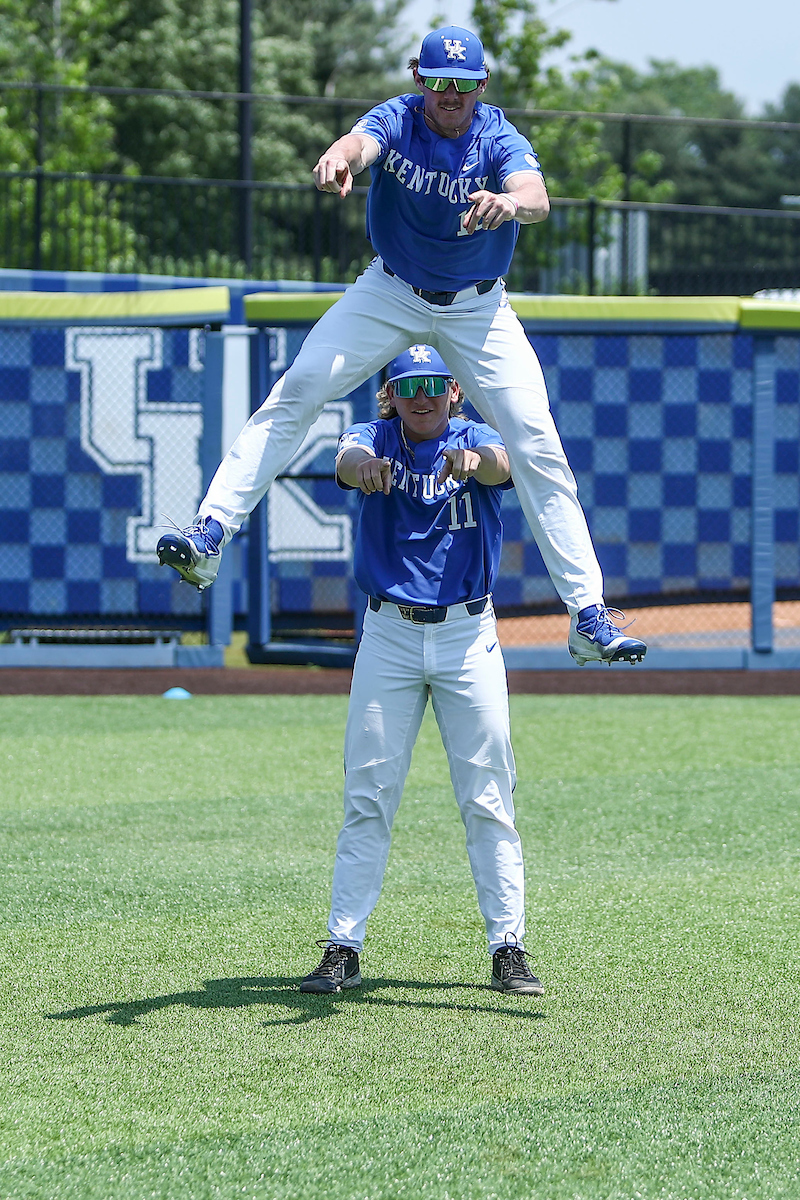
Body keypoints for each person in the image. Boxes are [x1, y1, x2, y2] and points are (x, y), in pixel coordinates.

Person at [156, 24, 647, 667]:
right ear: (420, 81)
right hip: (391, 290)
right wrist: (341, 157)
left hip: (478, 307)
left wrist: (508, 201)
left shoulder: (496, 135)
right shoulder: (400, 117)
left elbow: (537, 196)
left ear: (480, 86)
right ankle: (212, 530)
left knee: (536, 443)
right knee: (297, 391)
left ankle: (587, 614)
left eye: (464, 84)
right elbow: (360, 142)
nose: (451, 94)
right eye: (439, 82)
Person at [299, 346, 542, 995]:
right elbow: (345, 462)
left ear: (455, 389)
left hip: (467, 634)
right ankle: (343, 945)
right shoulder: (375, 436)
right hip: (389, 633)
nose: (423, 397)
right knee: (367, 796)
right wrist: (365, 468)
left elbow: (500, 464)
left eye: (435, 384)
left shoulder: (474, 434)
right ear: (391, 393)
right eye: (409, 387)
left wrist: (475, 462)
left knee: (488, 795)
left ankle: (508, 946)